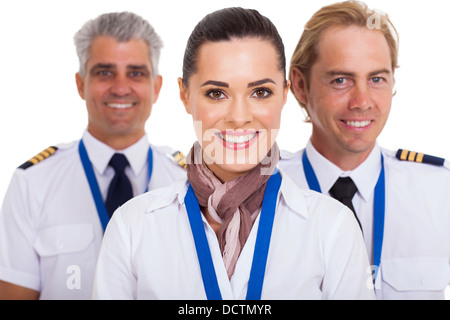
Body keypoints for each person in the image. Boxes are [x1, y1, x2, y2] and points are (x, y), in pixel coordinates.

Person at [92, 7, 374, 300]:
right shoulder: (131, 227)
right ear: (185, 95)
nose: (239, 117)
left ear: (284, 95)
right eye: (216, 93)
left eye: (260, 92)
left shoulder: (332, 227)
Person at [0, 12, 186, 300]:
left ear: (156, 87)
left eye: (135, 73)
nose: (121, 87)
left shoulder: (189, 182)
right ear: (80, 84)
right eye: (104, 72)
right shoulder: (32, 184)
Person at [279, 0, 450, 299]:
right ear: (300, 84)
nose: (362, 101)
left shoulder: (440, 190)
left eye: (376, 79)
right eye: (341, 80)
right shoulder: (261, 193)